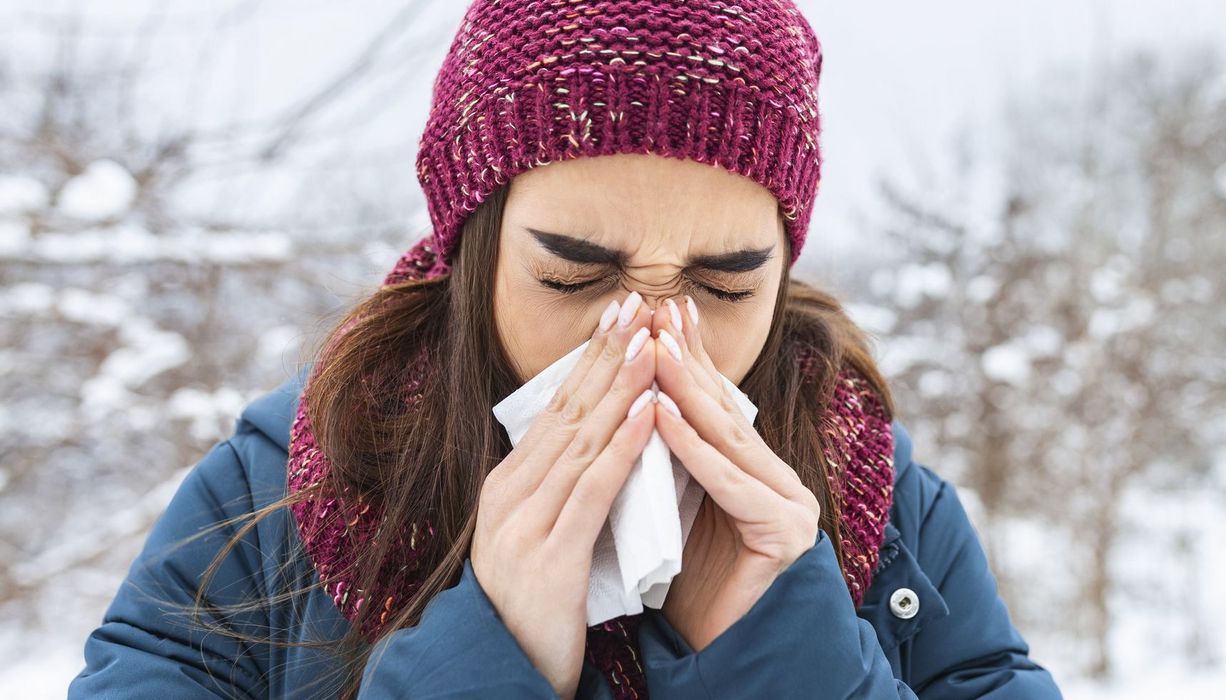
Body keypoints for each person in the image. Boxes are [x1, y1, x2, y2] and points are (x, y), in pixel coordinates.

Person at [68, 1, 1064, 698]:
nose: (643, 332)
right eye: (573, 276)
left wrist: (781, 648)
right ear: (475, 252)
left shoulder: (884, 509)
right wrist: (482, 653)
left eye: (722, 286)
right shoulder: (281, 488)